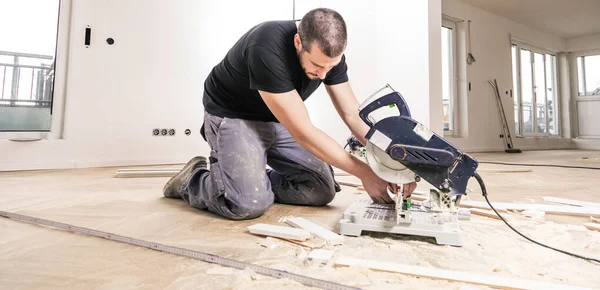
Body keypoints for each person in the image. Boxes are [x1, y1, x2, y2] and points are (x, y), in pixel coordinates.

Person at [163, 8, 417, 220]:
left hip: (277, 117)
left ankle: (247, 181)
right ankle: (195, 179)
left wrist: (391, 162)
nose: (324, 75)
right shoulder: (265, 47)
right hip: (234, 115)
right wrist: (365, 173)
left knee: (320, 191)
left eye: (332, 66)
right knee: (247, 204)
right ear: (298, 42)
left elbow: (353, 115)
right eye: (317, 65)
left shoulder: (328, 56)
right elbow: (303, 132)